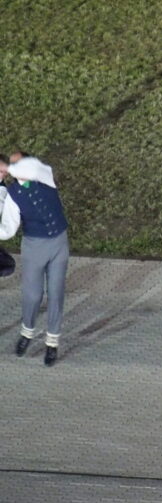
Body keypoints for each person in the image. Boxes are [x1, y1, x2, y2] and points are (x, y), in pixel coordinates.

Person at [0, 152, 69, 366]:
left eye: (17, 162)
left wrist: (8, 167)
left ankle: (52, 342)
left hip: (59, 242)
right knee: (32, 295)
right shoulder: (13, 193)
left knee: (56, 293)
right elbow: (8, 229)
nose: (13, 166)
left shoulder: (43, 175)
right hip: (34, 246)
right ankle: (27, 332)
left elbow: (31, 169)